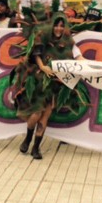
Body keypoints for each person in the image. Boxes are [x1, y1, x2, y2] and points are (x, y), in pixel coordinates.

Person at [11, 15, 85, 160]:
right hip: (40, 80)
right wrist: (43, 67)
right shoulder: (43, 38)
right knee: (36, 113)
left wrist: (93, 66)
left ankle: (36, 148)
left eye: (61, 26)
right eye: (56, 25)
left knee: (45, 116)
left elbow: (79, 57)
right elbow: (36, 54)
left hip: (56, 83)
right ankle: (27, 139)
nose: (59, 28)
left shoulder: (69, 43)